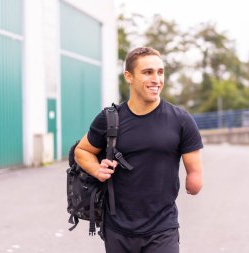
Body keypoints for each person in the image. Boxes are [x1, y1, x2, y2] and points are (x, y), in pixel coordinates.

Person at [75, 47, 203, 253]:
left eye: (160, 72)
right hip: (118, 229)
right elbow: (82, 150)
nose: (156, 79)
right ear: (129, 76)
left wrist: (195, 179)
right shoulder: (110, 119)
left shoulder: (181, 120)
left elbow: (194, 168)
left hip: (162, 229)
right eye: (147, 72)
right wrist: (96, 169)